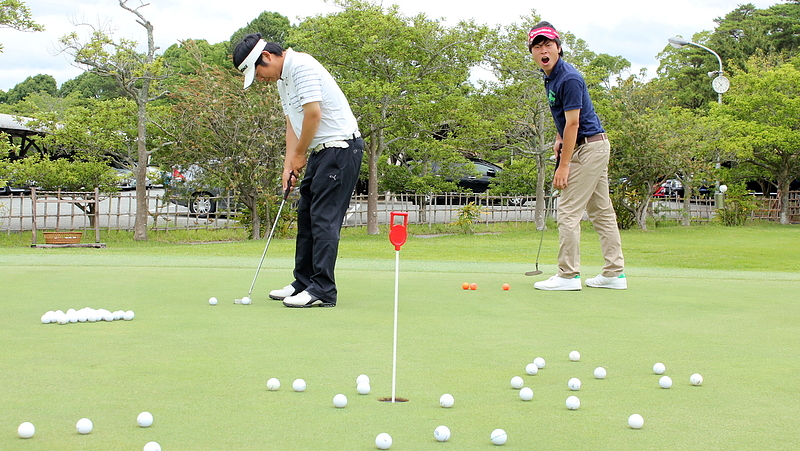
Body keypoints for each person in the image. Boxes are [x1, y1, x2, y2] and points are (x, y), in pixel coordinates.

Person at [233, 33, 364, 307]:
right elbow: (293, 124)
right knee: (306, 216)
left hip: (340, 149)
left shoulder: (302, 66)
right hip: (320, 151)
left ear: (267, 57)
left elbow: (313, 114)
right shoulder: (283, 80)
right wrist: (288, 164)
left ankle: (323, 289)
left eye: (259, 73)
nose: (260, 80)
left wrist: (300, 154)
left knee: (323, 219)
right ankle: (303, 282)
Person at [527, 22, 626, 291]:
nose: (543, 50)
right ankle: (614, 274)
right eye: (537, 46)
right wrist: (560, 137)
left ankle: (568, 275)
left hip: (588, 148)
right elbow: (566, 123)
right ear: (533, 53)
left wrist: (565, 166)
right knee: (601, 211)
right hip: (592, 145)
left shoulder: (567, 77)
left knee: (568, 210)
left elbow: (574, 123)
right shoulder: (551, 77)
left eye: (548, 44)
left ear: (558, 48)